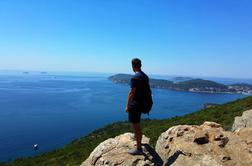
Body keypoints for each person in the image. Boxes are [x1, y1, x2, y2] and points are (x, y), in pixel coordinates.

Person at [125, 58, 151, 155]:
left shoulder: (135, 78)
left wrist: (127, 106)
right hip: (142, 104)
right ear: (140, 65)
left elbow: (132, 92)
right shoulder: (145, 76)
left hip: (135, 105)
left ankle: (139, 148)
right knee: (137, 124)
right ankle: (137, 138)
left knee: (136, 125)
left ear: (133, 66)